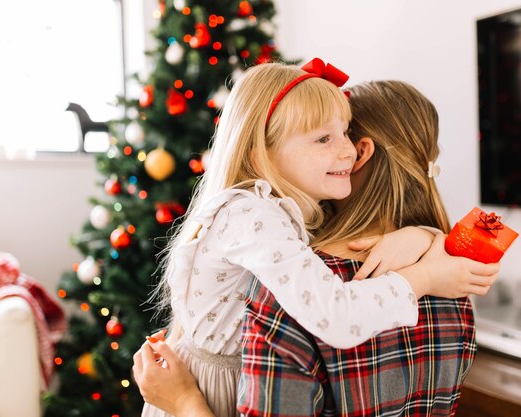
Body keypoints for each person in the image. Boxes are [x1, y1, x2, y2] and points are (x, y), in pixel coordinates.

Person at [135, 62, 499, 417]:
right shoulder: (453, 284)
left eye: (345, 134)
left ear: (364, 153)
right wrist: (426, 265)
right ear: (260, 152)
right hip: (211, 386)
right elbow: (337, 313)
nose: (346, 150)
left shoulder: (291, 239)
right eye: (324, 138)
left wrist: (422, 236)